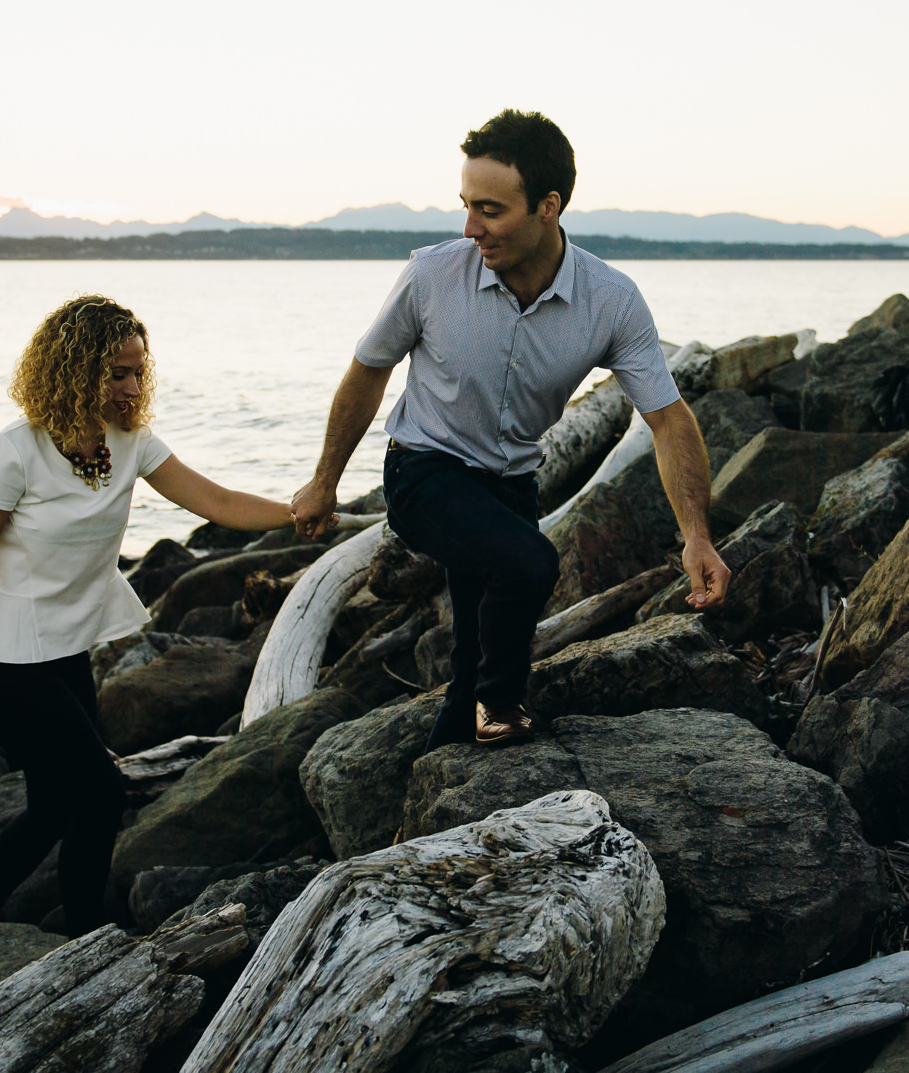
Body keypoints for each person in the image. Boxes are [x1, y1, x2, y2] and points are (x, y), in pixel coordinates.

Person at [291, 109, 729, 752]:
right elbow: (368, 371)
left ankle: (440, 775)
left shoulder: (611, 300)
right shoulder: (432, 275)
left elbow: (667, 418)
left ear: (549, 206)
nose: (471, 228)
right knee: (529, 563)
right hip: (424, 472)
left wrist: (697, 537)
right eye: (466, 206)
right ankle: (501, 707)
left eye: (490, 210)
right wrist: (324, 481)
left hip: (511, 483)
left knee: (471, 657)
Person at [0, 294, 301, 995]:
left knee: (57, 806)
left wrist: (298, 514)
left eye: (138, 373)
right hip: (5, 660)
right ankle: (87, 945)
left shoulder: (128, 442)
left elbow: (215, 504)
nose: (133, 388)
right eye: (116, 374)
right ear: (72, 371)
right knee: (99, 788)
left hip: (66, 653)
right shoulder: (13, 453)